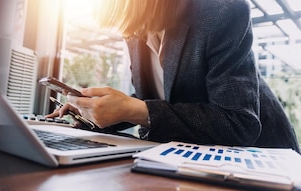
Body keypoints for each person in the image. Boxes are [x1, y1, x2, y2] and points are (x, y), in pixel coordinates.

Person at [47, 0, 300, 152]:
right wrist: (99, 110)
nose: (124, 31)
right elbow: (159, 97)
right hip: (192, 159)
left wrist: (136, 110)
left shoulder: (223, 11)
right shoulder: (133, 26)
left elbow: (238, 122)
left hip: (262, 160)